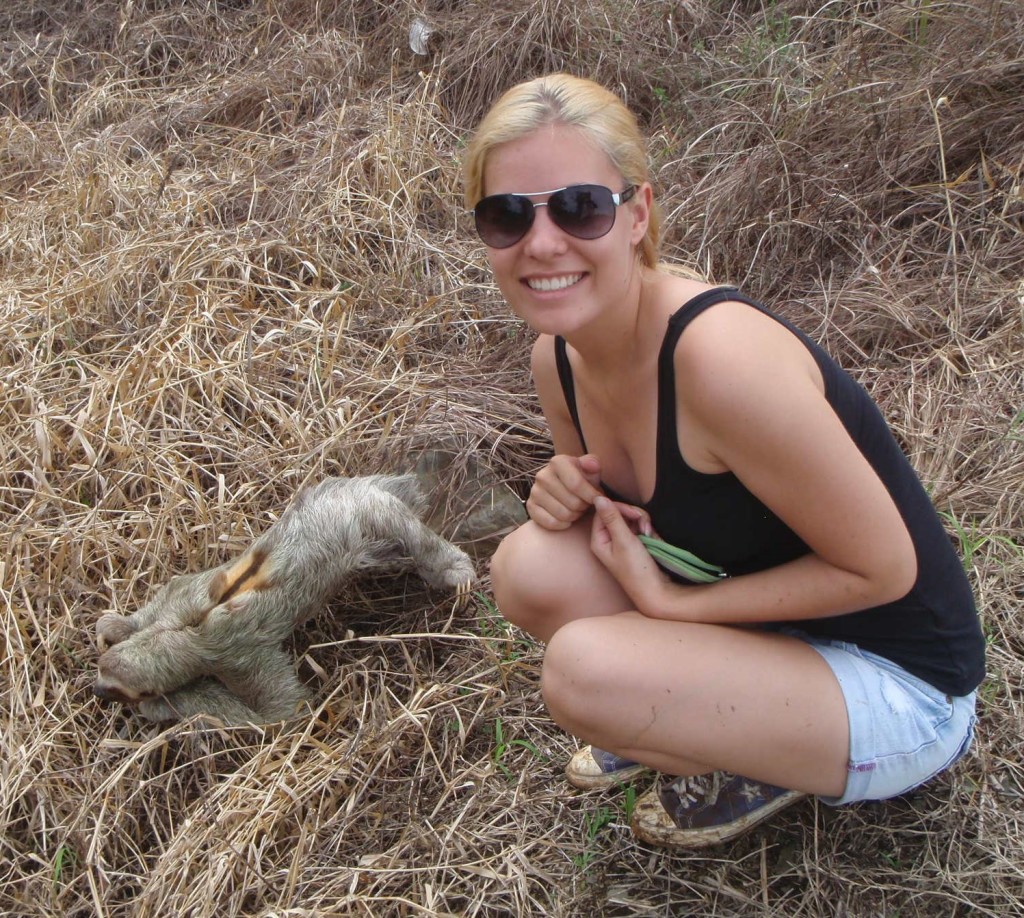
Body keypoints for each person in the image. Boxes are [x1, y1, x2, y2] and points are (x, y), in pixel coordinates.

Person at [463, 73, 985, 848]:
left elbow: (884, 571)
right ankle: (709, 713)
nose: (542, 244)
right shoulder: (558, 359)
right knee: (527, 567)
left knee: (584, 672)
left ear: (636, 214)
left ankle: (753, 748)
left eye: (580, 207)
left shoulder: (718, 360)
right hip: (772, 636)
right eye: (507, 215)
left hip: (901, 686)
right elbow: (615, 531)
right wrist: (564, 493)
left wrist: (676, 611)